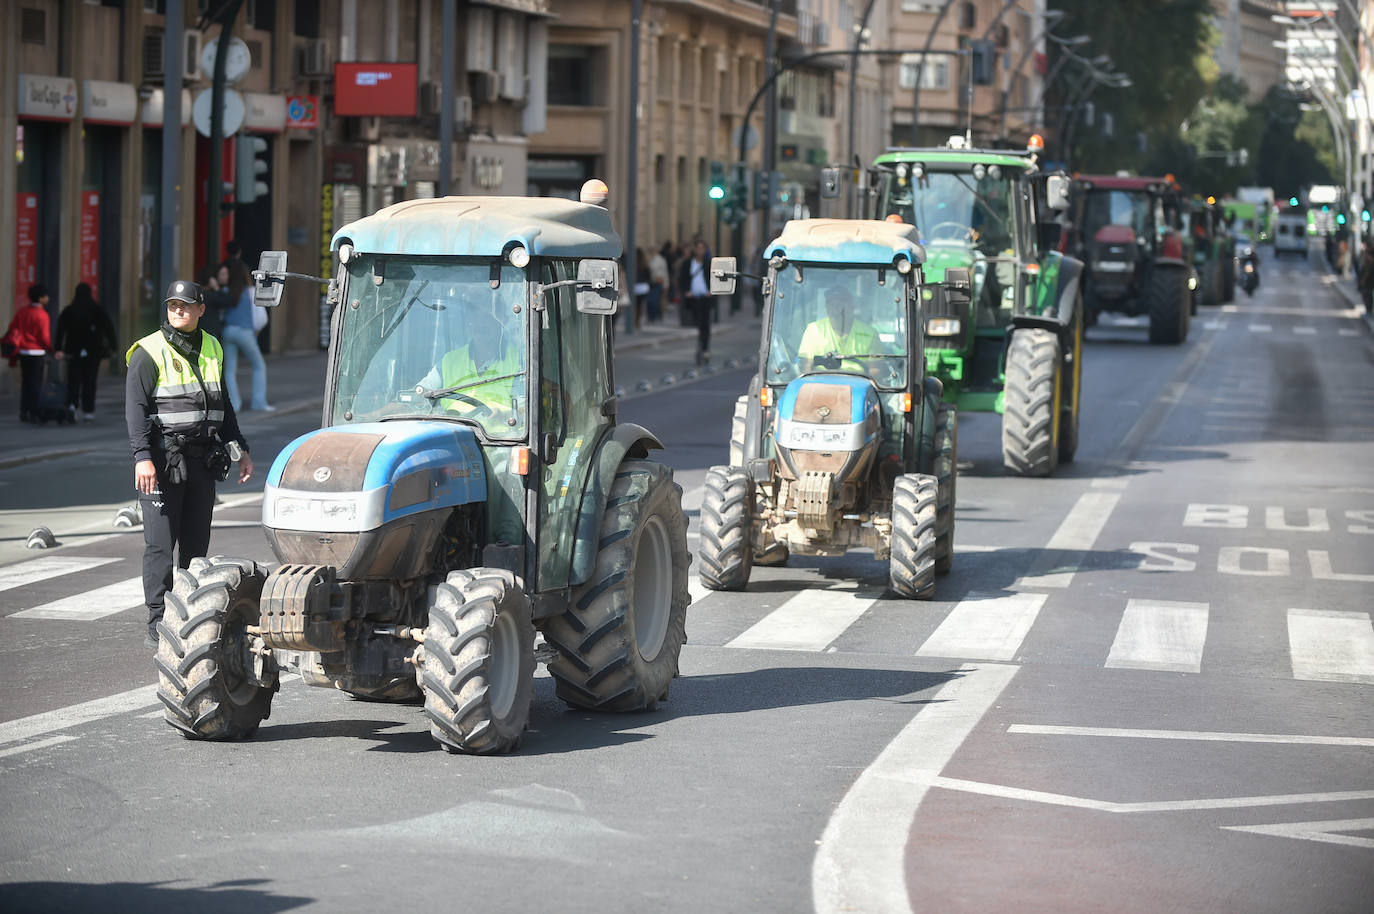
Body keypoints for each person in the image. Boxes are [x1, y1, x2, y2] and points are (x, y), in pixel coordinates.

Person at [127, 280, 252, 649]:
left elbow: (222, 403)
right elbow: (134, 411)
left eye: (185, 305)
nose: (178, 311)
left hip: (202, 459)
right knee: (161, 546)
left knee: (197, 546)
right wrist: (142, 458)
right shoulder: (147, 352)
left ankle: (189, 613)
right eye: (172, 305)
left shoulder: (212, 345)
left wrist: (238, 448)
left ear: (200, 309)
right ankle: (157, 619)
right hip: (163, 459)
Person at [416, 309, 523, 424]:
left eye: (488, 317)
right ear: (469, 322)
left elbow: (527, 408)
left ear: (502, 321)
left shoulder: (519, 361)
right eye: (476, 317)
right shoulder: (450, 360)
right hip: (450, 430)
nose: (481, 324)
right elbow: (421, 394)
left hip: (500, 438)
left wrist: (503, 416)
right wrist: (400, 405)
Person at [54, 282, 118, 422]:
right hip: (93, 351)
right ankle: (89, 410)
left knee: (73, 380)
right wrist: (114, 347)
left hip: (73, 351)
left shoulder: (69, 310)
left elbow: (60, 330)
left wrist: (58, 348)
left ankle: (72, 406)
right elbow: (109, 328)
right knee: (90, 381)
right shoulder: (97, 310)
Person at [220, 260, 273, 411]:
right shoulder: (250, 291)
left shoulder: (226, 292)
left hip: (228, 331)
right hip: (245, 332)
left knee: (229, 371)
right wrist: (255, 331)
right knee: (259, 366)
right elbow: (261, 318)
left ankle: (234, 405)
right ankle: (259, 402)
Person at [4, 284, 58, 423]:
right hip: (37, 352)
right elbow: (44, 337)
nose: (48, 298)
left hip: (23, 351)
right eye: (46, 296)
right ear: (41, 298)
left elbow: (12, 328)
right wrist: (52, 350)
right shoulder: (42, 315)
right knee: (36, 384)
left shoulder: (22, 312)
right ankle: (34, 412)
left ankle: (23, 411)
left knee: (26, 382)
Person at [797, 285, 877, 373]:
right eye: (831, 303)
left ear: (852, 306)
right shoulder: (813, 330)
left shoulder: (870, 333)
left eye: (841, 302)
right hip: (820, 383)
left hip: (858, 381)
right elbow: (806, 366)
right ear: (826, 307)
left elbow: (875, 369)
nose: (836, 307)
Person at [678, 240, 714, 364]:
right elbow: (682, 278)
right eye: (698, 248)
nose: (700, 251)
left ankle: (704, 349)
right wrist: (686, 291)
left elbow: (714, 279)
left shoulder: (708, 263)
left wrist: (711, 291)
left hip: (705, 297)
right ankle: (700, 345)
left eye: (702, 248)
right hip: (693, 298)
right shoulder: (688, 263)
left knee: (705, 324)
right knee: (697, 323)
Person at [648, 243, 670, 323]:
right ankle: (652, 316)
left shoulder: (660, 260)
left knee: (656, 300)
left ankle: (656, 316)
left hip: (658, 282)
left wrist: (666, 285)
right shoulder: (649, 259)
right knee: (650, 301)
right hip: (650, 282)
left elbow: (665, 273)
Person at [1358, 236, 1374, 315]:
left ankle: (1369, 311)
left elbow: (1369, 267)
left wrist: (1364, 279)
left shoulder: (1369, 254)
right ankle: (1368, 310)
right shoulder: (1367, 252)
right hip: (1367, 277)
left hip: (1369, 278)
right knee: (1366, 294)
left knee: (1367, 294)